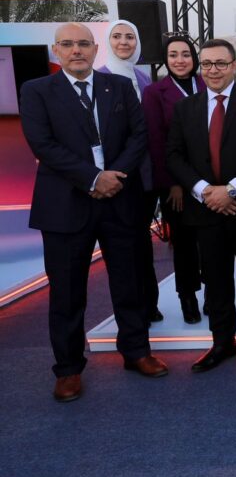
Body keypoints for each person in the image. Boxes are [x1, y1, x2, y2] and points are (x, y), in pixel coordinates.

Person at [20, 22, 168, 402]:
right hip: (65, 205)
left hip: (119, 199)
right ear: (56, 50)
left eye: (84, 43)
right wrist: (93, 178)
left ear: (94, 49)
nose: (77, 50)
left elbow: (139, 135)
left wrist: (113, 176)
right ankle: (68, 369)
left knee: (129, 282)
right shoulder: (37, 91)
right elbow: (43, 145)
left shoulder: (117, 86)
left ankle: (136, 351)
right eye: (68, 44)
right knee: (67, 293)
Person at [166, 38, 236, 372]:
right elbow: (174, 155)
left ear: (234, 66)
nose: (213, 70)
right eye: (207, 64)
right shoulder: (185, 108)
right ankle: (222, 343)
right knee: (215, 282)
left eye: (220, 63)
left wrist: (232, 190)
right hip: (205, 211)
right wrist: (205, 191)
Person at [98, 19, 161, 323]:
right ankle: (135, 311)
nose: (124, 42)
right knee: (125, 247)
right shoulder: (99, 77)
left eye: (130, 37)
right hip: (117, 176)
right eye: (117, 36)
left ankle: (149, 304)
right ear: (107, 42)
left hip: (145, 176)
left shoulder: (142, 77)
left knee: (142, 241)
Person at [141, 35, 206, 324]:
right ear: (166, 60)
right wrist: (173, 184)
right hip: (177, 185)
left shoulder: (207, 84)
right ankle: (188, 298)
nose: (180, 60)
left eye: (186, 54)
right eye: (173, 55)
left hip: (211, 183)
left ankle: (214, 295)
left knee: (212, 243)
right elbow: (157, 142)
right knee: (184, 244)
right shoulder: (155, 92)